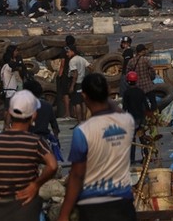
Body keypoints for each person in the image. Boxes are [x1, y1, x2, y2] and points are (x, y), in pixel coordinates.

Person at [57, 73, 136, 221]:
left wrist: (64, 213)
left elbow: (77, 175)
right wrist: (104, 95)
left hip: (92, 206)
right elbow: (117, 109)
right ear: (107, 91)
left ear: (84, 96)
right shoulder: (127, 122)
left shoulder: (83, 131)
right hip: (123, 203)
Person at [0, 90, 58, 221]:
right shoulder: (35, 141)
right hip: (27, 208)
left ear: (10, 113)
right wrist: (35, 185)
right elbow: (53, 166)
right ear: (34, 115)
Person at [24, 80, 61, 161]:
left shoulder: (23, 106)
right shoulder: (47, 106)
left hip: (27, 141)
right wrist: (56, 141)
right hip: (44, 141)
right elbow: (55, 127)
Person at [122, 71, 148, 163]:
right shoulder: (140, 92)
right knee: (143, 139)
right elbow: (146, 105)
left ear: (128, 81)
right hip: (141, 118)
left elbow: (124, 107)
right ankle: (146, 157)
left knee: (132, 140)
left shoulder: (127, 93)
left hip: (132, 119)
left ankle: (131, 159)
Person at [126, 44, 157, 113]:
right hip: (148, 86)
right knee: (153, 102)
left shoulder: (131, 61)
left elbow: (127, 74)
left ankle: (145, 117)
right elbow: (152, 71)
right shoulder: (146, 60)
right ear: (142, 51)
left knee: (142, 104)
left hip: (138, 87)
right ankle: (153, 117)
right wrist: (151, 78)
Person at [67, 44, 91, 127]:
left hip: (76, 83)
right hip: (83, 83)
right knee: (83, 102)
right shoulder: (82, 59)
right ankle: (84, 120)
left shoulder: (72, 61)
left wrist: (72, 86)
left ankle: (79, 121)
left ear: (72, 52)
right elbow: (91, 67)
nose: (67, 54)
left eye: (68, 52)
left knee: (76, 103)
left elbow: (75, 73)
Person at [0, 45, 24, 109]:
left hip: (18, 81)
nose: (17, 52)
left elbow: (23, 68)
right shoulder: (6, 63)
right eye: (16, 51)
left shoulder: (18, 58)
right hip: (10, 85)